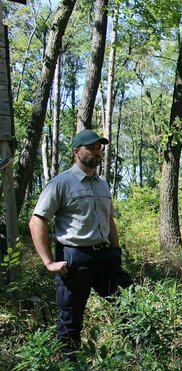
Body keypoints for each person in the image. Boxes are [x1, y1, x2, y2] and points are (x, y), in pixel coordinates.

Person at [29, 129, 133, 356]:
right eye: (92, 148)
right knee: (70, 318)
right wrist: (49, 262)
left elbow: (108, 219)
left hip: (106, 257)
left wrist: (115, 249)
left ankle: (143, 359)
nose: (98, 153)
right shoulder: (61, 183)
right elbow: (37, 221)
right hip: (74, 259)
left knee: (130, 305)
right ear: (77, 151)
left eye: (100, 148)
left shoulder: (102, 184)